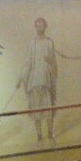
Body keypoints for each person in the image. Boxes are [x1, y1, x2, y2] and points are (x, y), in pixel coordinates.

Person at [17, 17, 58, 146]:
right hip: (35, 81)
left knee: (49, 111)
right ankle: (40, 137)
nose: (39, 28)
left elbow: (54, 63)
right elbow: (28, 63)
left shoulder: (49, 42)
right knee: (37, 111)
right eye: (37, 26)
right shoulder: (32, 43)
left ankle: (50, 136)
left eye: (42, 26)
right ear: (35, 27)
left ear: (45, 27)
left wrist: (49, 61)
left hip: (46, 81)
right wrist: (21, 78)